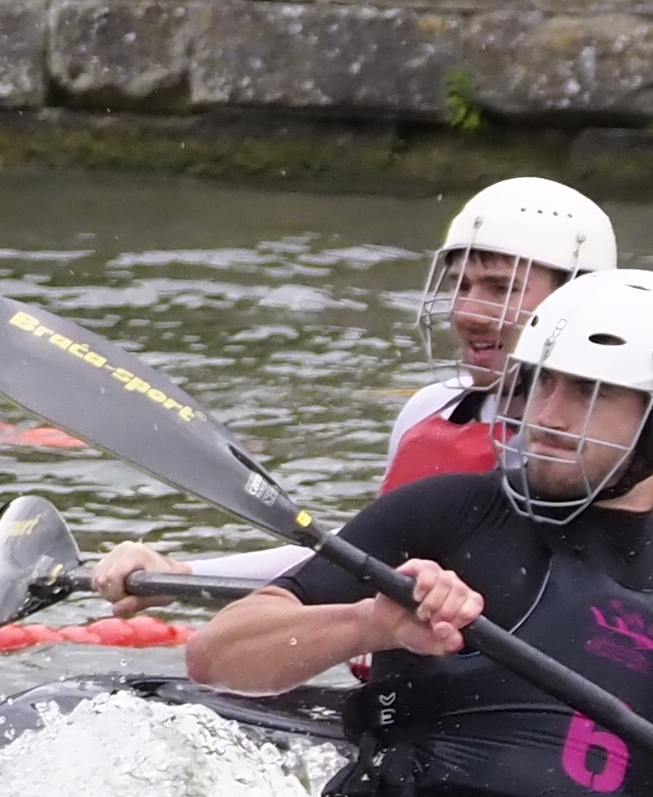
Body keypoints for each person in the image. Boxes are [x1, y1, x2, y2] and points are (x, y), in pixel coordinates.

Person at [188, 267, 653, 797]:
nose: (550, 416)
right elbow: (215, 656)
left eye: (590, 393)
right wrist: (371, 624)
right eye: (541, 386)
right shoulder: (452, 511)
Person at [82, 175, 622, 602]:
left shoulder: (617, 447)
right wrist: (181, 573)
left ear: (575, 300)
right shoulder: (429, 412)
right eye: (460, 285)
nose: (467, 312)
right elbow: (355, 555)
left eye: (501, 289)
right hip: (399, 692)